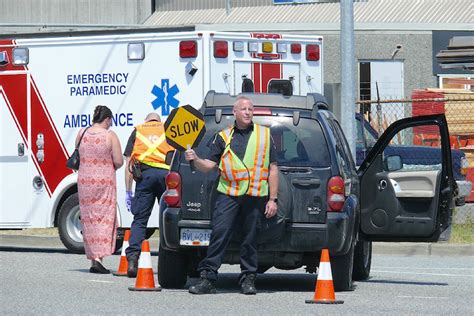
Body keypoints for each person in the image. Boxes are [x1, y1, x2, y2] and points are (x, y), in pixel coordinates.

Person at [184, 96, 278, 295]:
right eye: (243, 109)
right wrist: (196, 159)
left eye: (250, 109)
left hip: (255, 195)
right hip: (229, 193)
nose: (247, 112)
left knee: (250, 239)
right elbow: (210, 166)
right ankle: (208, 278)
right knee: (220, 234)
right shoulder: (223, 136)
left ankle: (248, 279)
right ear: (234, 112)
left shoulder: (264, 135)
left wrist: (273, 199)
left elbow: (272, 168)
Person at [123, 112, 174, 277]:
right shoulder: (168, 128)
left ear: (146, 120)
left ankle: (132, 260)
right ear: (158, 120)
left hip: (145, 177)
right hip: (167, 178)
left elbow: (129, 165)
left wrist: (128, 191)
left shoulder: (138, 130)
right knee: (168, 218)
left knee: (139, 220)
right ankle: (172, 257)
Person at [76, 105, 123, 274]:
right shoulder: (110, 136)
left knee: (89, 219)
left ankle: (93, 259)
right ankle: (98, 259)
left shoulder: (82, 133)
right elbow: (118, 161)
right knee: (103, 218)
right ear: (108, 119)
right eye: (111, 121)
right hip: (104, 182)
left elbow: (79, 154)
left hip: (85, 182)